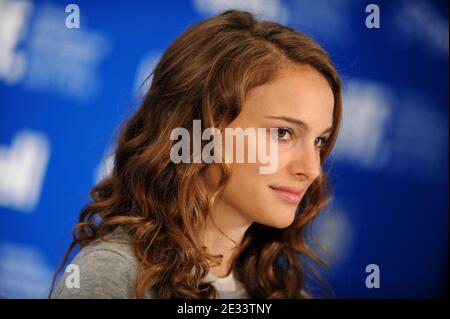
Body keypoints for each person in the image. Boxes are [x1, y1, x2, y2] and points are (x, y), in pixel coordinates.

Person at [50, 9, 342, 299]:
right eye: (283, 133)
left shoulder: (287, 294)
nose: (312, 169)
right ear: (199, 130)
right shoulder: (112, 278)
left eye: (319, 141)